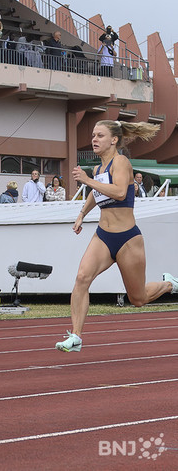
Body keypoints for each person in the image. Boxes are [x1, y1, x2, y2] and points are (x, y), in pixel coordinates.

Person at [56, 120, 178, 352]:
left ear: (114, 140)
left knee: (138, 299)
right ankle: (76, 336)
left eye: (100, 135)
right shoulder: (97, 170)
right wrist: (82, 213)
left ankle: (168, 284)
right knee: (82, 278)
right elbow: (96, 192)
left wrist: (87, 181)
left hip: (127, 239)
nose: (94, 139)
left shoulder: (121, 162)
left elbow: (121, 192)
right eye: (93, 135)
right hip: (103, 236)